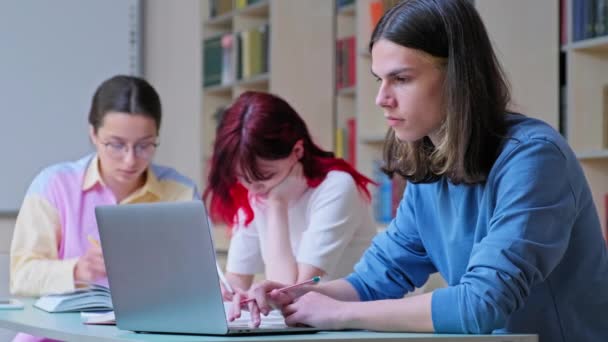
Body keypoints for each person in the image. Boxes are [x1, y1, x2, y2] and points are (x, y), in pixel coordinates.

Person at [239, 1, 608, 341]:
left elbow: (480, 305)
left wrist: (340, 313)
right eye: (379, 79)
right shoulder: (432, 165)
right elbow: (374, 280)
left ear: (458, 78)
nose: (381, 98)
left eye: (400, 79)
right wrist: (299, 295)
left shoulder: (534, 159)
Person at [10, 75, 199, 342]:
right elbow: (22, 276)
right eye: (116, 145)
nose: (130, 159)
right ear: (94, 135)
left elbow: (198, 285)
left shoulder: (180, 192)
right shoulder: (54, 185)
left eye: (145, 145)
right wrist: (78, 270)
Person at [203, 91, 377, 301]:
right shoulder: (255, 190)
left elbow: (291, 292)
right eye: (241, 176)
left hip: (366, 320)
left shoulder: (336, 187)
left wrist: (277, 204)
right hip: (315, 323)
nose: (254, 188)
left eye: (266, 175)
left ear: (297, 151)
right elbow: (237, 282)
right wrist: (231, 295)